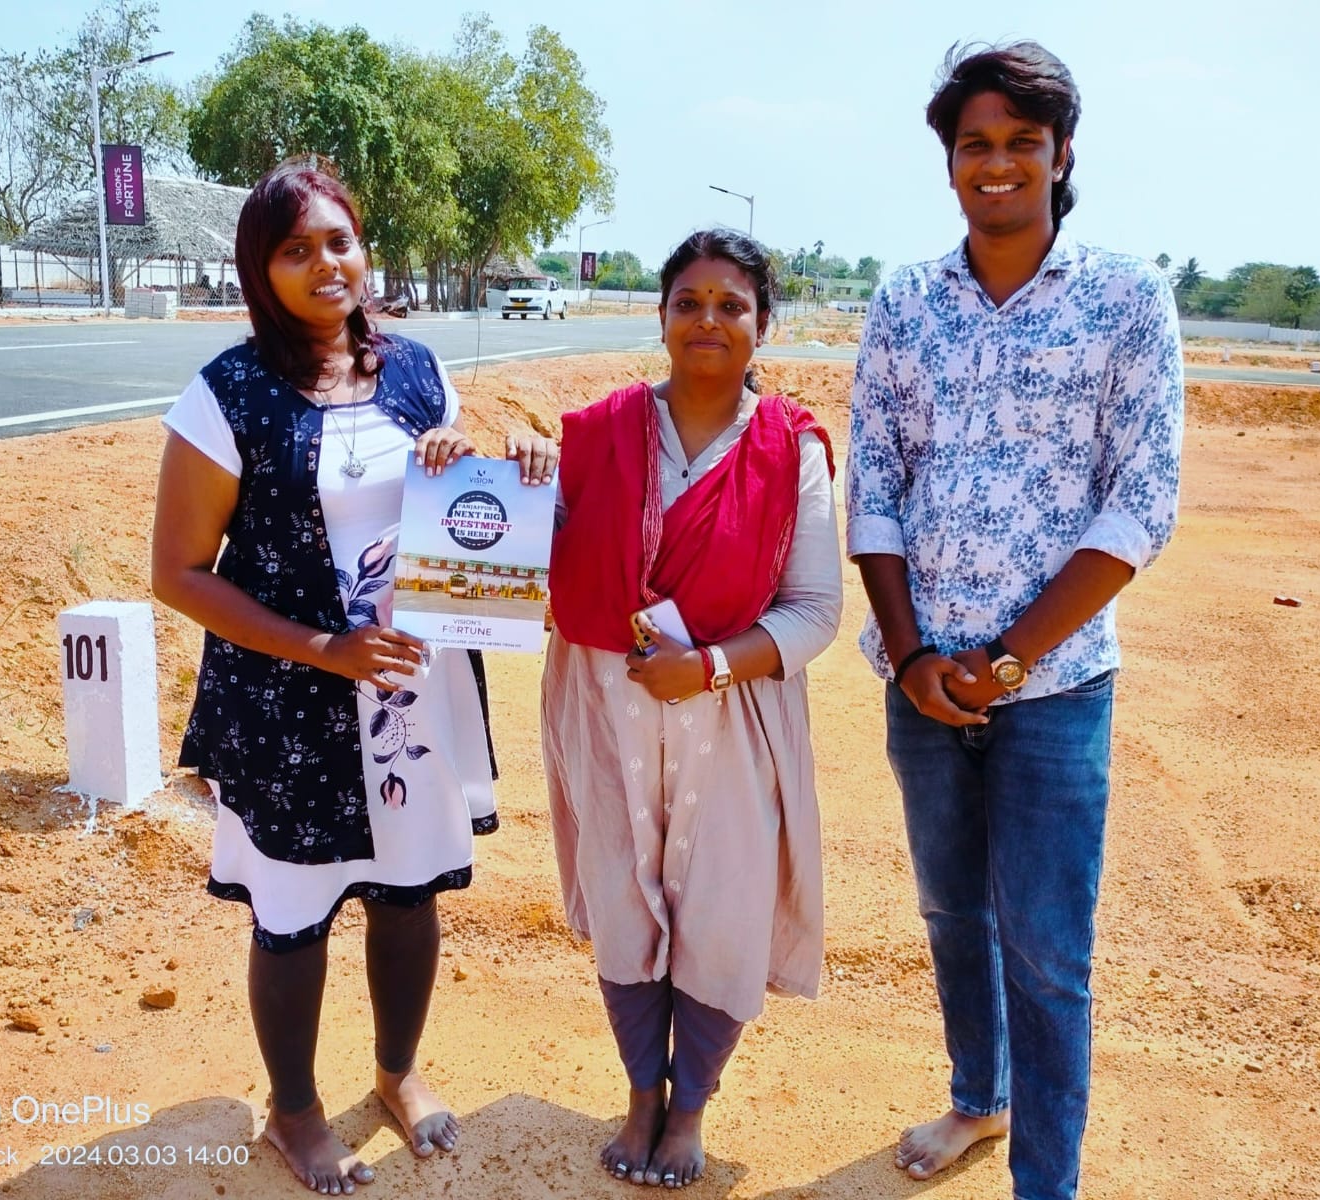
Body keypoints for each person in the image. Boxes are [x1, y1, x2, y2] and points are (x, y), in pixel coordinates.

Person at [151, 159, 556, 1196]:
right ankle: (293, 1110)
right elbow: (179, 572)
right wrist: (323, 648)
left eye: (339, 241)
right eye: (296, 249)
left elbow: (455, 521)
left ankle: (396, 1071)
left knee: (409, 893)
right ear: (261, 269)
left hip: (411, 694)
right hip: (288, 703)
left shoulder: (415, 371)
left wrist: (496, 467)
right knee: (293, 911)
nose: (325, 264)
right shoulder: (227, 395)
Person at [846, 43, 1184, 1200]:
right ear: (949, 163)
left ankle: (1047, 1183)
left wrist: (1004, 659)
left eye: (1020, 144)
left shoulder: (1126, 300)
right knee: (952, 912)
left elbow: (1141, 503)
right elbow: (874, 485)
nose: (997, 165)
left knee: (1046, 952)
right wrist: (910, 657)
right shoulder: (904, 301)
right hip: (921, 683)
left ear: (1061, 154)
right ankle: (979, 1100)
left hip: (1055, 688)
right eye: (975, 145)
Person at [542, 229, 842, 1189]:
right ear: (662, 316)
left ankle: (691, 1108)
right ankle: (641, 1094)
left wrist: (707, 666)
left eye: (731, 305)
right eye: (688, 302)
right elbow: (535, 557)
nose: (708, 320)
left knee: (721, 912)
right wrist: (509, 473)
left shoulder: (793, 449)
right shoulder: (596, 434)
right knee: (624, 901)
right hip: (607, 704)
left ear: (764, 325)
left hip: (731, 713)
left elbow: (815, 611)